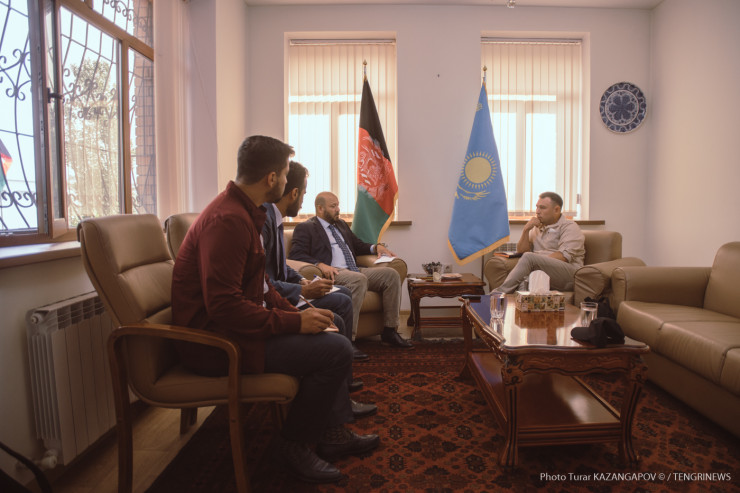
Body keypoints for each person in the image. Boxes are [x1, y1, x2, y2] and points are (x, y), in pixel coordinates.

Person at [171, 135, 379, 484]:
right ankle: (292, 444)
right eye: (284, 174)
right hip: (217, 344)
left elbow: (262, 286)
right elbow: (224, 307)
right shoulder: (228, 221)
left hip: (236, 332)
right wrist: (293, 324)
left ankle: (330, 433)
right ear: (271, 178)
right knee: (336, 351)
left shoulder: (243, 213)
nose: (286, 181)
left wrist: (299, 315)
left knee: (329, 326)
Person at [262, 160, 376, 418]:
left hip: (282, 295)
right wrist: (301, 292)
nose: (303, 198)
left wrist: (301, 281)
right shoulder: (266, 221)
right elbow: (263, 282)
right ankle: (339, 398)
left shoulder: (275, 219)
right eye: (303, 192)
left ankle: (343, 385)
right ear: (292, 192)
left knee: (342, 296)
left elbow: (279, 267)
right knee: (340, 306)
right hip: (271, 307)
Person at [288, 191, 413, 349]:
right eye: (333, 206)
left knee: (391, 275)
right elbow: (296, 254)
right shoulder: (306, 227)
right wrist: (319, 264)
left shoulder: (341, 225)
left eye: (338, 205)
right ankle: (348, 339)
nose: (338, 209)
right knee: (358, 279)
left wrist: (376, 247)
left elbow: (358, 245)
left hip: (355, 269)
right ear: (320, 208)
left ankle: (389, 331)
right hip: (334, 272)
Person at [493, 191, 585, 293]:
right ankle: (517, 300)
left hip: (570, 275)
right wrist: (526, 230)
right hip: (543, 271)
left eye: (542, 208)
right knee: (524, 280)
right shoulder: (537, 227)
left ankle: (498, 294)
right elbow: (522, 252)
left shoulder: (570, 227)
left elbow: (564, 256)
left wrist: (536, 262)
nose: (537, 211)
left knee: (529, 258)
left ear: (556, 210)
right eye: (537, 207)